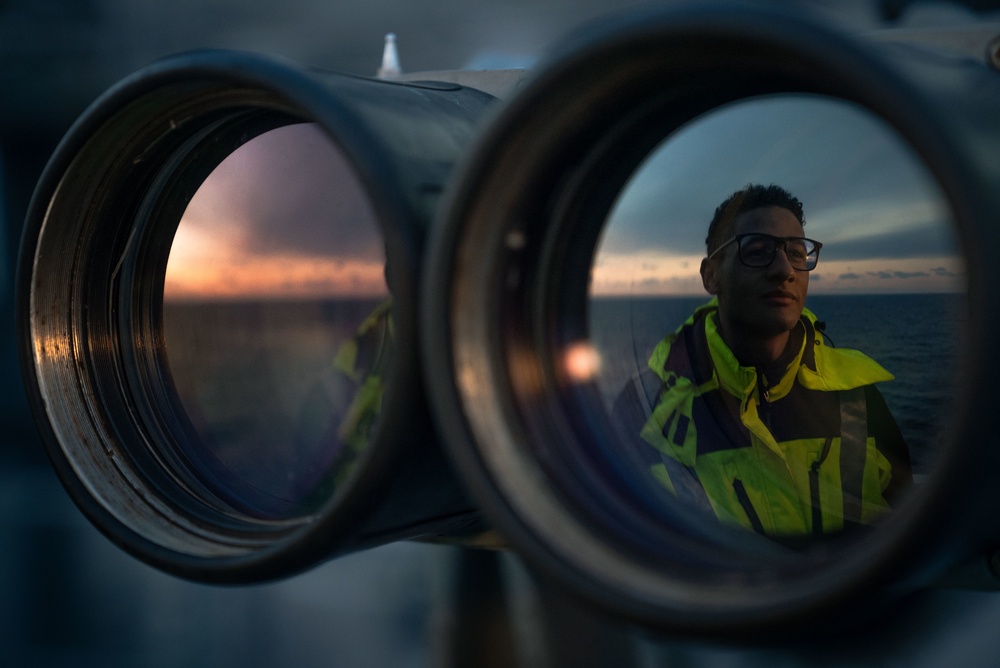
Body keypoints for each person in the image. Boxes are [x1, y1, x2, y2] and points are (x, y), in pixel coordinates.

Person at [613, 184, 911, 537]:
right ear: (711, 276)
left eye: (797, 253)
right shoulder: (646, 406)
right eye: (758, 251)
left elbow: (908, 522)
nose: (785, 270)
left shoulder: (855, 395)